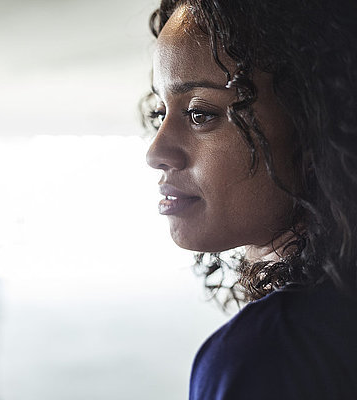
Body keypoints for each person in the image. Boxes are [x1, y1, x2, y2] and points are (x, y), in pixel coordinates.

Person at [143, 0, 357, 398]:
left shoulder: (272, 354)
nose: (156, 153)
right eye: (159, 113)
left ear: (312, 122)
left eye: (199, 113)